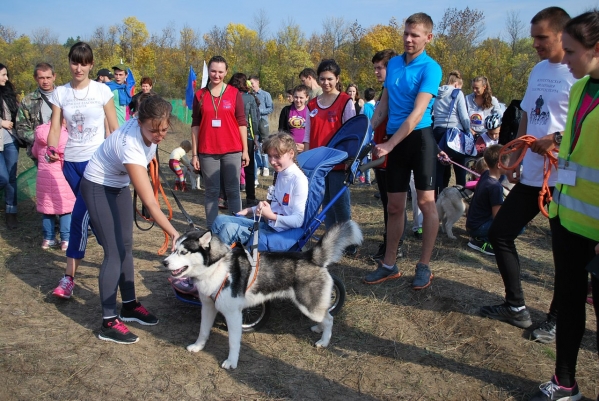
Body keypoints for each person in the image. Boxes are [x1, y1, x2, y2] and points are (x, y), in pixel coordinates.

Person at [480, 7, 576, 344]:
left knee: (566, 256)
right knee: (501, 232)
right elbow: (527, 116)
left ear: (563, 35)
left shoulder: (579, 73)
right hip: (533, 173)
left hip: (563, 178)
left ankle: (556, 321)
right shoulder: (537, 69)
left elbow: (583, 127)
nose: (535, 43)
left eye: (542, 38)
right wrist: (517, 154)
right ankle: (516, 306)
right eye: (533, 37)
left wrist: (557, 139)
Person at [529, 11, 599, 400]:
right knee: (570, 305)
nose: (566, 60)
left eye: (572, 52)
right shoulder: (580, 89)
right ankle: (564, 383)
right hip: (567, 217)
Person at [80, 95, 179, 344]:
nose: (159, 135)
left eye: (164, 130)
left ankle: (129, 305)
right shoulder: (131, 144)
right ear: (138, 120)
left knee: (126, 247)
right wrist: (174, 234)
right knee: (113, 252)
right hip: (97, 185)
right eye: (153, 130)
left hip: (119, 185)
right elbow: (151, 205)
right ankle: (108, 322)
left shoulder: (149, 132)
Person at [366, 13, 442, 290]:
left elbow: (418, 113)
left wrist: (389, 144)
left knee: (425, 203)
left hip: (419, 139)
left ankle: (423, 265)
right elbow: (383, 106)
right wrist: (366, 131)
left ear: (428, 38)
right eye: (406, 34)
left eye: (415, 35)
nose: (408, 39)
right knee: (395, 206)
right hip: (394, 139)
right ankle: (388, 265)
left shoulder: (431, 68)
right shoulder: (394, 64)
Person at [48, 41, 119, 299]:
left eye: (84, 62)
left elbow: (113, 128)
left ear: (91, 64)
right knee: (96, 218)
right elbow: (56, 127)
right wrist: (51, 148)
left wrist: (117, 160)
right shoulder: (60, 93)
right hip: (71, 164)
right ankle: (117, 259)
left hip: (96, 163)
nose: (79, 67)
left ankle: (68, 279)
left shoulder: (102, 91)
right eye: (74, 62)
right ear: (69, 62)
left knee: (80, 217)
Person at [212, 132, 308, 245]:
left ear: (291, 153)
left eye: (277, 156)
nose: (272, 161)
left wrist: (271, 216)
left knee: (229, 229)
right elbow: (275, 205)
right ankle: (212, 254)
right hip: (269, 224)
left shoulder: (298, 180)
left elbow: (298, 220)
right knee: (219, 220)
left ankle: (218, 260)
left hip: (279, 233)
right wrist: (249, 210)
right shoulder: (280, 172)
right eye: (270, 156)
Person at [303, 59, 356, 253]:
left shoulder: (345, 102)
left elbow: (351, 132)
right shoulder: (311, 105)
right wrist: (307, 160)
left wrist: (350, 159)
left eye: (330, 79)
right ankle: (332, 240)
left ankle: (348, 241)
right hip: (318, 164)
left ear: (337, 79)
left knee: (340, 204)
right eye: (323, 79)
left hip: (338, 163)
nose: (326, 83)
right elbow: (307, 135)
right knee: (325, 204)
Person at [190, 55, 249, 229]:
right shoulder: (200, 94)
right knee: (211, 192)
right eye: (213, 71)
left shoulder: (233, 93)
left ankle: (236, 228)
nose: (216, 75)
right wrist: (194, 154)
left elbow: (241, 122)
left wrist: (245, 150)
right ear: (208, 71)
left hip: (232, 149)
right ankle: (213, 230)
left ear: (226, 72)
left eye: (220, 72)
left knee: (233, 191)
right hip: (207, 151)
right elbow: (195, 125)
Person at [32, 120, 75, 250]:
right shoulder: (63, 134)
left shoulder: (40, 132)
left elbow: (34, 152)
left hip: (44, 177)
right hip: (61, 179)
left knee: (47, 210)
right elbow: (69, 154)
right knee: (65, 210)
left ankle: (48, 238)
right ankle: (66, 239)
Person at [433, 70, 471, 195]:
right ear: (457, 84)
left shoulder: (436, 92)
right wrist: (468, 131)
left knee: (439, 168)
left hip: (438, 132)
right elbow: (464, 116)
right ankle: (462, 195)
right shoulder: (457, 93)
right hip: (454, 133)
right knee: (460, 167)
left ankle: (438, 195)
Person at [465, 144, 505, 256]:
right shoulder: (495, 187)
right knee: (518, 226)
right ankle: (484, 241)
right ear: (499, 165)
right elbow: (497, 217)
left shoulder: (486, 174)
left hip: (471, 224)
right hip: (479, 227)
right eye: (508, 162)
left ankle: (479, 237)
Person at [228, 72, 260, 207]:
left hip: (230, 136)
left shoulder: (228, 96)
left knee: (229, 167)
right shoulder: (250, 98)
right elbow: (254, 119)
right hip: (247, 136)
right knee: (249, 168)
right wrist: (256, 137)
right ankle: (251, 197)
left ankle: (227, 196)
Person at [16, 62, 57, 159]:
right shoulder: (28, 101)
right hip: (40, 151)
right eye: (41, 78)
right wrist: (41, 139)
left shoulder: (65, 96)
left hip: (64, 148)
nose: (45, 81)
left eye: (48, 77)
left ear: (54, 76)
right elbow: (21, 128)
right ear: (35, 78)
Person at [0, 63, 20, 229]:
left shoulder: (8, 93)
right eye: (3, 75)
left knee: (11, 177)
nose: (6, 78)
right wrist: (1, 122)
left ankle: (11, 212)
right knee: (3, 177)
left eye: (6, 75)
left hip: (11, 140)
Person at [249, 75, 273, 177]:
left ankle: (266, 167)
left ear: (257, 82)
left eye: (252, 83)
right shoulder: (249, 95)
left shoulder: (265, 95)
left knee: (264, 145)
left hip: (263, 123)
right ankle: (259, 165)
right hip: (253, 124)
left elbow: (270, 108)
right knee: (256, 146)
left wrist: (259, 111)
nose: (251, 86)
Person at [278, 84, 309, 152]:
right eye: (296, 97)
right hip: (289, 149)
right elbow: (281, 130)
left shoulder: (310, 111)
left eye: (301, 98)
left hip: (305, 149)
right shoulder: (286, 110)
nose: (298, 100)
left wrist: (305, 147)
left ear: (307, 98)